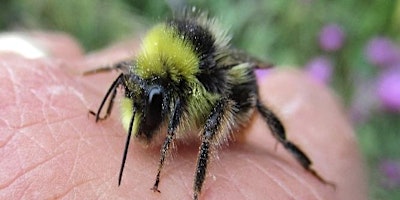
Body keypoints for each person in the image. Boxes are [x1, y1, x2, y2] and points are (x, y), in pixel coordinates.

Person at [0, 32, 367, 199]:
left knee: (241, 106)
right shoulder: (152, 68)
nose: (143, 117)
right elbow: (130, 75)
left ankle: (199, 188)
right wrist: (98, 103)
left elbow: (198, 103)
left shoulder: (195, 78)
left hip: (234, 99)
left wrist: (164, 168)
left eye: (155, 104)